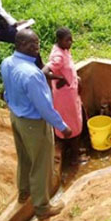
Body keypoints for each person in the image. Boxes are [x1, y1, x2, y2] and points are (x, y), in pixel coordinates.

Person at [1, 29, 72, 221]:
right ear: (22, 45)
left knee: (24, 157)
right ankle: (42, 208)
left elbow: (6, 91)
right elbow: (44, 107)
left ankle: (24, 191)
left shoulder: (7, 63)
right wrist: (62, 126)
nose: (37, 48)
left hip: (16, 118)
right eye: (34, 45)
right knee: (42, 165)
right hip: (34, 124)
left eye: (37, 44)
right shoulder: (32, 74)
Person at [42, 27, 88, 165]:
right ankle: (74, 158)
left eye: (71, 39)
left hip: (70, 93)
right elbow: (44, 71)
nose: (71, 42)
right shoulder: (58, 56)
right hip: (64, 97)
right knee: (72, 125)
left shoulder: (64, 50)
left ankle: (74, 150)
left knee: (75, 121)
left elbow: (68, 68)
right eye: (67, 40)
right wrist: (59, 78)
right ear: (59, 40)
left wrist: (75, 78)